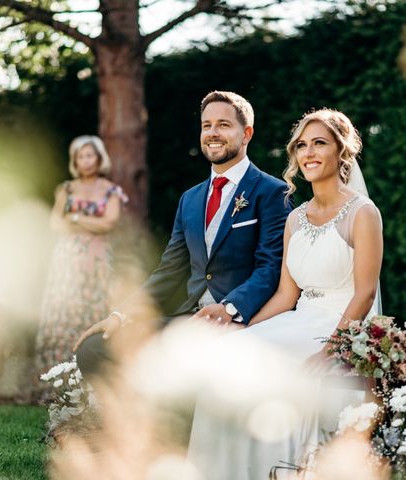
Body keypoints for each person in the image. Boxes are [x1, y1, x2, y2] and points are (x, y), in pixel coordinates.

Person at [187, 108, 384, 479]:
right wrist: (245, 329)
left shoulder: (363, 213)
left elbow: (364, 294)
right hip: (299, 318)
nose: (308, 153)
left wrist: (330, 351)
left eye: (320, 144)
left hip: (340, 326)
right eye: (302, 145)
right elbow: (284, 294)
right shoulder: (296, 217)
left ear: (341, 152)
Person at [74, 90, 293, 382]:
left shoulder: (272, 192)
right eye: (206, 125)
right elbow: (168, 270)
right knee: (93, 349)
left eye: (224, 125)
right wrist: (120, 315)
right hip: (188, 320)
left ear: (246, 134)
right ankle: (136, 421)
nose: (213, 133)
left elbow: (269, 268)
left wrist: (229, 310)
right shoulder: (189, 200)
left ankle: (176, 420)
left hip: (242, 323)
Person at [34, 135, 128, 393]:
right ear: (75, 161)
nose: (86, 161)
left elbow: (109, 222)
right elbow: (55, 223)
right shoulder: (66, 188)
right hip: (67, 259)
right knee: (63, 313)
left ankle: (91, 381)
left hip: (97, 259)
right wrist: (89, 221)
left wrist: (74, 217)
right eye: (81, 156)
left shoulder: (111, 190)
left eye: (90, 155)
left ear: (99, 158)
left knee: (93, 311)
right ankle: (56, 384)